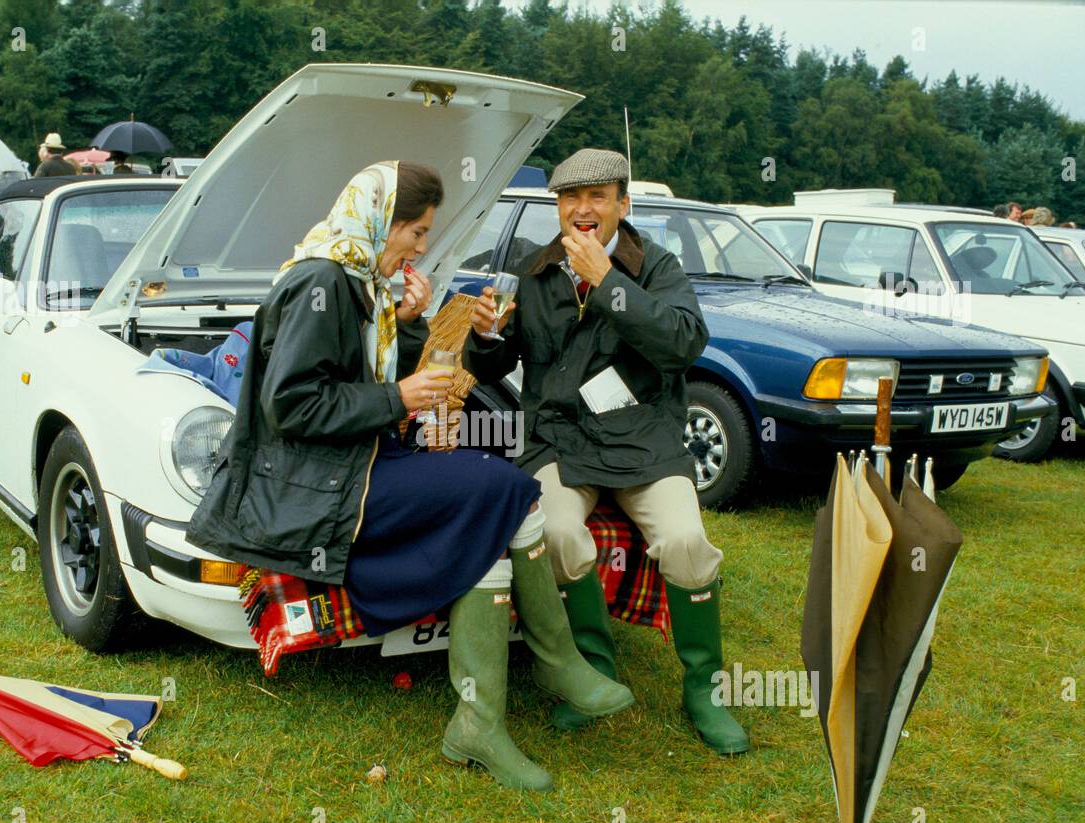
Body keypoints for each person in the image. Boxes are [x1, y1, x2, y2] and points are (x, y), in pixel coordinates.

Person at [185, 160, 634, 790]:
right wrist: (401, 397)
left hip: (358, 465)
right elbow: (291, 406)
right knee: (504, 486)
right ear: (381, 222)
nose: (423, 247)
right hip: (317, 489)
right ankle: (556, 660)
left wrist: (414, 323)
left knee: (488, 507)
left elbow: (355, 377)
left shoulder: (357, 279)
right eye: (416, 232)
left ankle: (480, 722)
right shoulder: (320, 283)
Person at [463, 148, 749, 755]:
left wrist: (608, 282)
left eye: (597, 197)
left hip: (646, 441)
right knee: (558, 533)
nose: (583, 209)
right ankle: (593, 670)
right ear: (559, 207)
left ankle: (705, 690)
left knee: (687, 545)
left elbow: (682, 343)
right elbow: (493, 366)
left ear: (623, 204)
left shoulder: (657, 267)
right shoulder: (533, 271)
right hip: (559, 441)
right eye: (571, 198)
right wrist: (484, 335)